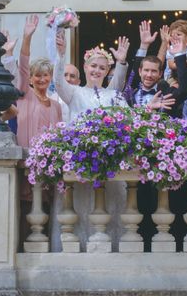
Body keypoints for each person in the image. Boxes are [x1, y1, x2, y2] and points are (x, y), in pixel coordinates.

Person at [53, 30, 129, 251]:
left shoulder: (114, 96)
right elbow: (58, 82)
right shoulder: (74, 92)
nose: (97, 70)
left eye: (102, 67)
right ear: (85, 67)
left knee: (109, 211)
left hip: (110, 167)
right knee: (81, 210)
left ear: (107, 71)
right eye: (93, 66)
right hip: (80, 165)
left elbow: (126, 121)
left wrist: (122, 62)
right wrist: (60, 54)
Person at [16, 14, 62, 248]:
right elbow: (22, 66)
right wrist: (27, 37)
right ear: (31, 78)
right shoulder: (24, 96)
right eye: (37, 75)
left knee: (46, 210)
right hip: (27, 166)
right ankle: (24, 251)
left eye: (46, 75)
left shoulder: (55, 105)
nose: (42, 78)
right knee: (25, 211)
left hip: (48, 168)